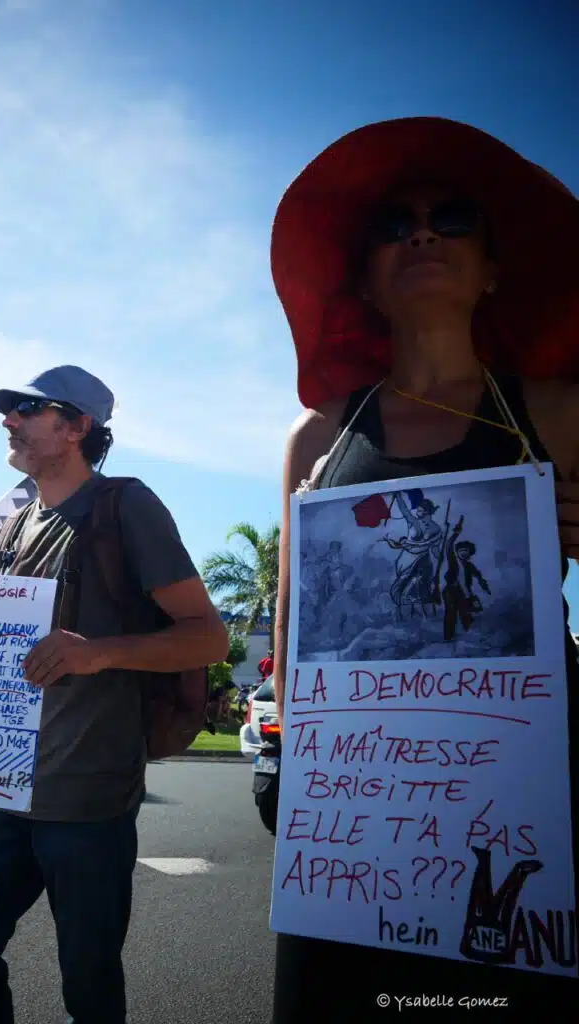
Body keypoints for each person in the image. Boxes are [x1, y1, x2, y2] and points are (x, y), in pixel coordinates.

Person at [270, 117, 579, 1021]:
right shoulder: (320, 440)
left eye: (452, 218)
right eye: (392, 225)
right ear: (364, 280)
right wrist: (293, 772)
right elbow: (294, 641)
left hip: (525, 797)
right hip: (356, 815)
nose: (422, 233)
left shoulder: (558, 414)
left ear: (492, 268)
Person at [0, 365, 229, 1024]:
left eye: (28, 410)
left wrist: (98, 653)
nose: (9, 420)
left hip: (90, 798)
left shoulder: (125, 506)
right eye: (11, 411)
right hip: (5, 791)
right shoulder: (11, 529)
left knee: (88, 983)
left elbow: (208, 637)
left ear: (75, 428)